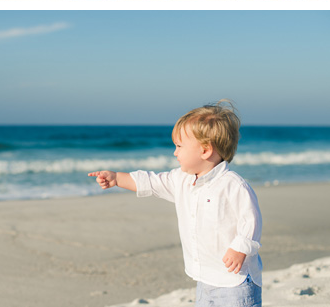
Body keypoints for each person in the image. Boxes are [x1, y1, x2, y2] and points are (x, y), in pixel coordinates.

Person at [88, 101, 263, 307]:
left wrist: (240, 248)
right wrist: (117, 178)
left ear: (205, 150)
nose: (175, 152)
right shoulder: (182, 180)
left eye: (179, 146)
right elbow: (152, 182)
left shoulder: (233, 185)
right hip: (205, 278)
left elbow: (251, 220)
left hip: (236, 282)